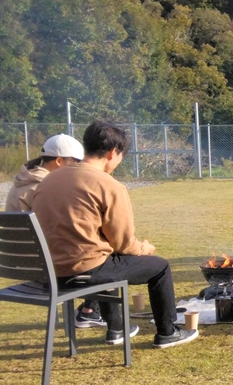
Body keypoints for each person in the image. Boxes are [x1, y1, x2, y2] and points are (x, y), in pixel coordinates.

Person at [32, 120, 197, 349]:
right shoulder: (109, 185)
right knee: (159, 267)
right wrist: (145, 249)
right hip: (82, 271)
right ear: (113, 153)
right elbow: (123, 243)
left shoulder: (49, 180)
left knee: (103, 257)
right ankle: (167, 332)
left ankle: (116, 329)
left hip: (48, 273)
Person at [5, 134, 106, 328]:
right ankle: (90, 311)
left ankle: (91, 310)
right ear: (59, 161)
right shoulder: (46, 185)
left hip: (23, 261)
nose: (79, 167)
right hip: (45, 264)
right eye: (75, 162)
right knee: (98, 246)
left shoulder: (24, 180)